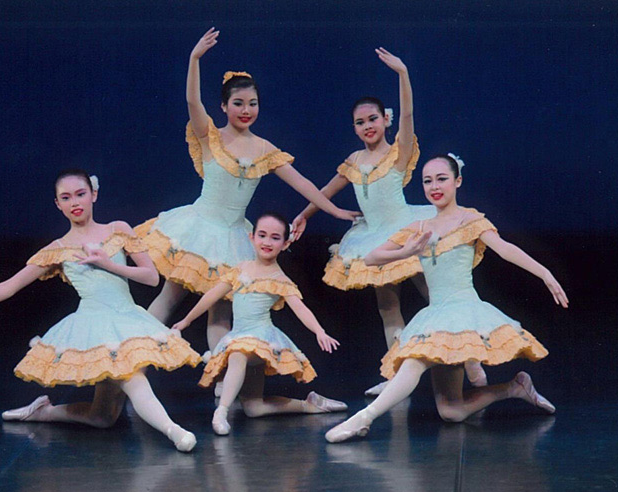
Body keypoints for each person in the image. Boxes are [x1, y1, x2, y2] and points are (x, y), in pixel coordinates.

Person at [135, 28, 359, 371]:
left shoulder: (264, 149)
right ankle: (134, 364)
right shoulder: (210, 136)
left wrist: (334, 210)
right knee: (168, 298)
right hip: (198, 230)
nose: (246, 110)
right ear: (224, 106)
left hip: (236, 238)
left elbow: (303, 184)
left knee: (221, 314)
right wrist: (194, 59)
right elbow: (193, 102)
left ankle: (220, 380)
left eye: (252, 104)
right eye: (238, 103)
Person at [0, 170, 202, 452]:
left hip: (128, 319)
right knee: (133, 379)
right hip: (94, 326)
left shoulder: (118, 230)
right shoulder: (58, 249)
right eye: (66, 198)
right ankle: (175, 432)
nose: (74, 202)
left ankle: (44, 412)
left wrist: (107, 264)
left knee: (103, 418)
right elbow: (9, 286)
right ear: (58, 204)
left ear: (93, 195)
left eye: (80, 194)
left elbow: (151, 278)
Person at [324, 154, 568, 443]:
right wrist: (405, 252)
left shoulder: (470, 220)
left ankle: (363, 419)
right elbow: (371, 257)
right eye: (427, 181)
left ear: (457, 181)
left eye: (441, 179)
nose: (434, 186)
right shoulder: (419, 227)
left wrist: (545, 273)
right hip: (436, 313)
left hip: (463, 310)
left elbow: (504, 249)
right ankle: (515, 388)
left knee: (414, 362)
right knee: (451, 411)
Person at [290, 48, 470, 396]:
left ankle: (468, 357)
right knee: (388, 307)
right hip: (373, 239)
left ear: (385, 120)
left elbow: (409, 114)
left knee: (435, 294)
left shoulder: (398, 153)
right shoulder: (354, 161)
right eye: (360, 122)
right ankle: (395, 375)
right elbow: (326, 190)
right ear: (355, 128)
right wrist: (305, 214)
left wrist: (403, 74)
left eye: (373, 119)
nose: (367, 126)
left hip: (408, 230)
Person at [172, 213, 347, 435]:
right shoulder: (240, 269)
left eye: (275, 238)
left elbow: (301, 309)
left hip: (262, 337)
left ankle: (221, 412)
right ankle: (309, 405)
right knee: (254, 408)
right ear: (252, 237)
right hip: (239, 334)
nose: (267, 242)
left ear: (285, 244)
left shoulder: (280, 279)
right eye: (262, 235)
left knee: (238, 354)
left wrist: (319, 331)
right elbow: (211, 296)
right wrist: (186, 320)